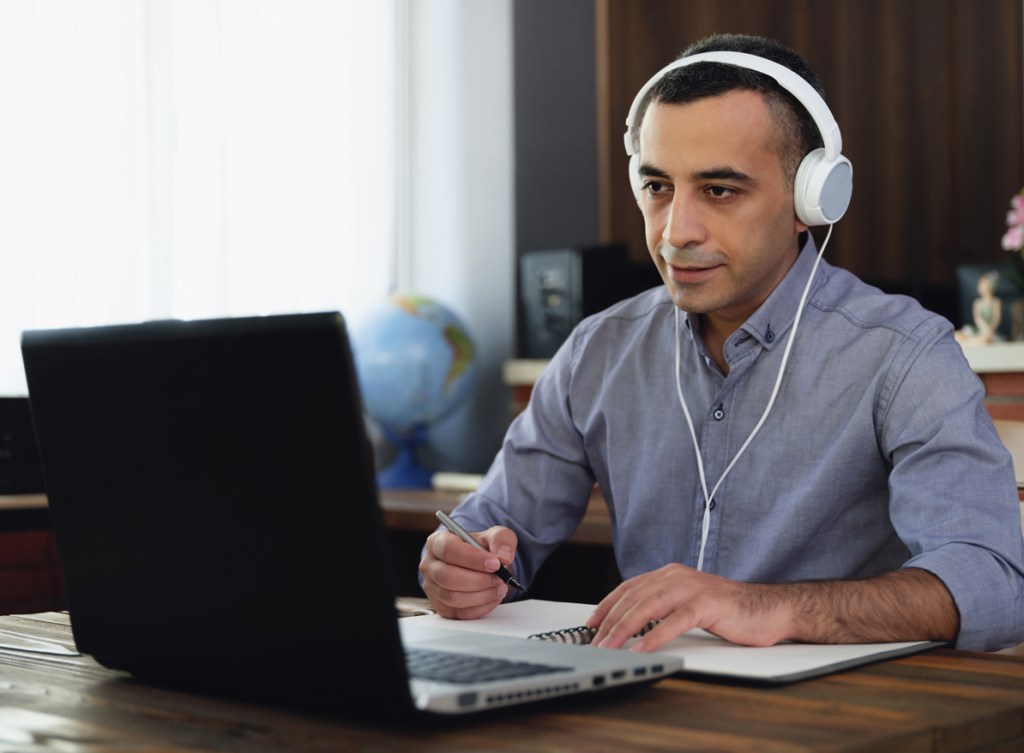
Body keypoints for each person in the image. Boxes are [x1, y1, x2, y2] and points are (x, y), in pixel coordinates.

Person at [419, 33, 1024, 652]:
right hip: (645, 701)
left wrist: (768, 608)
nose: (676, 232)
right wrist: (459, 566)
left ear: (809, 201)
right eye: (657, 187)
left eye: (719, 190)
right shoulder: (596, 351)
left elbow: (994, 582)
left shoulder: (903, 353)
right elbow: (491, 530)